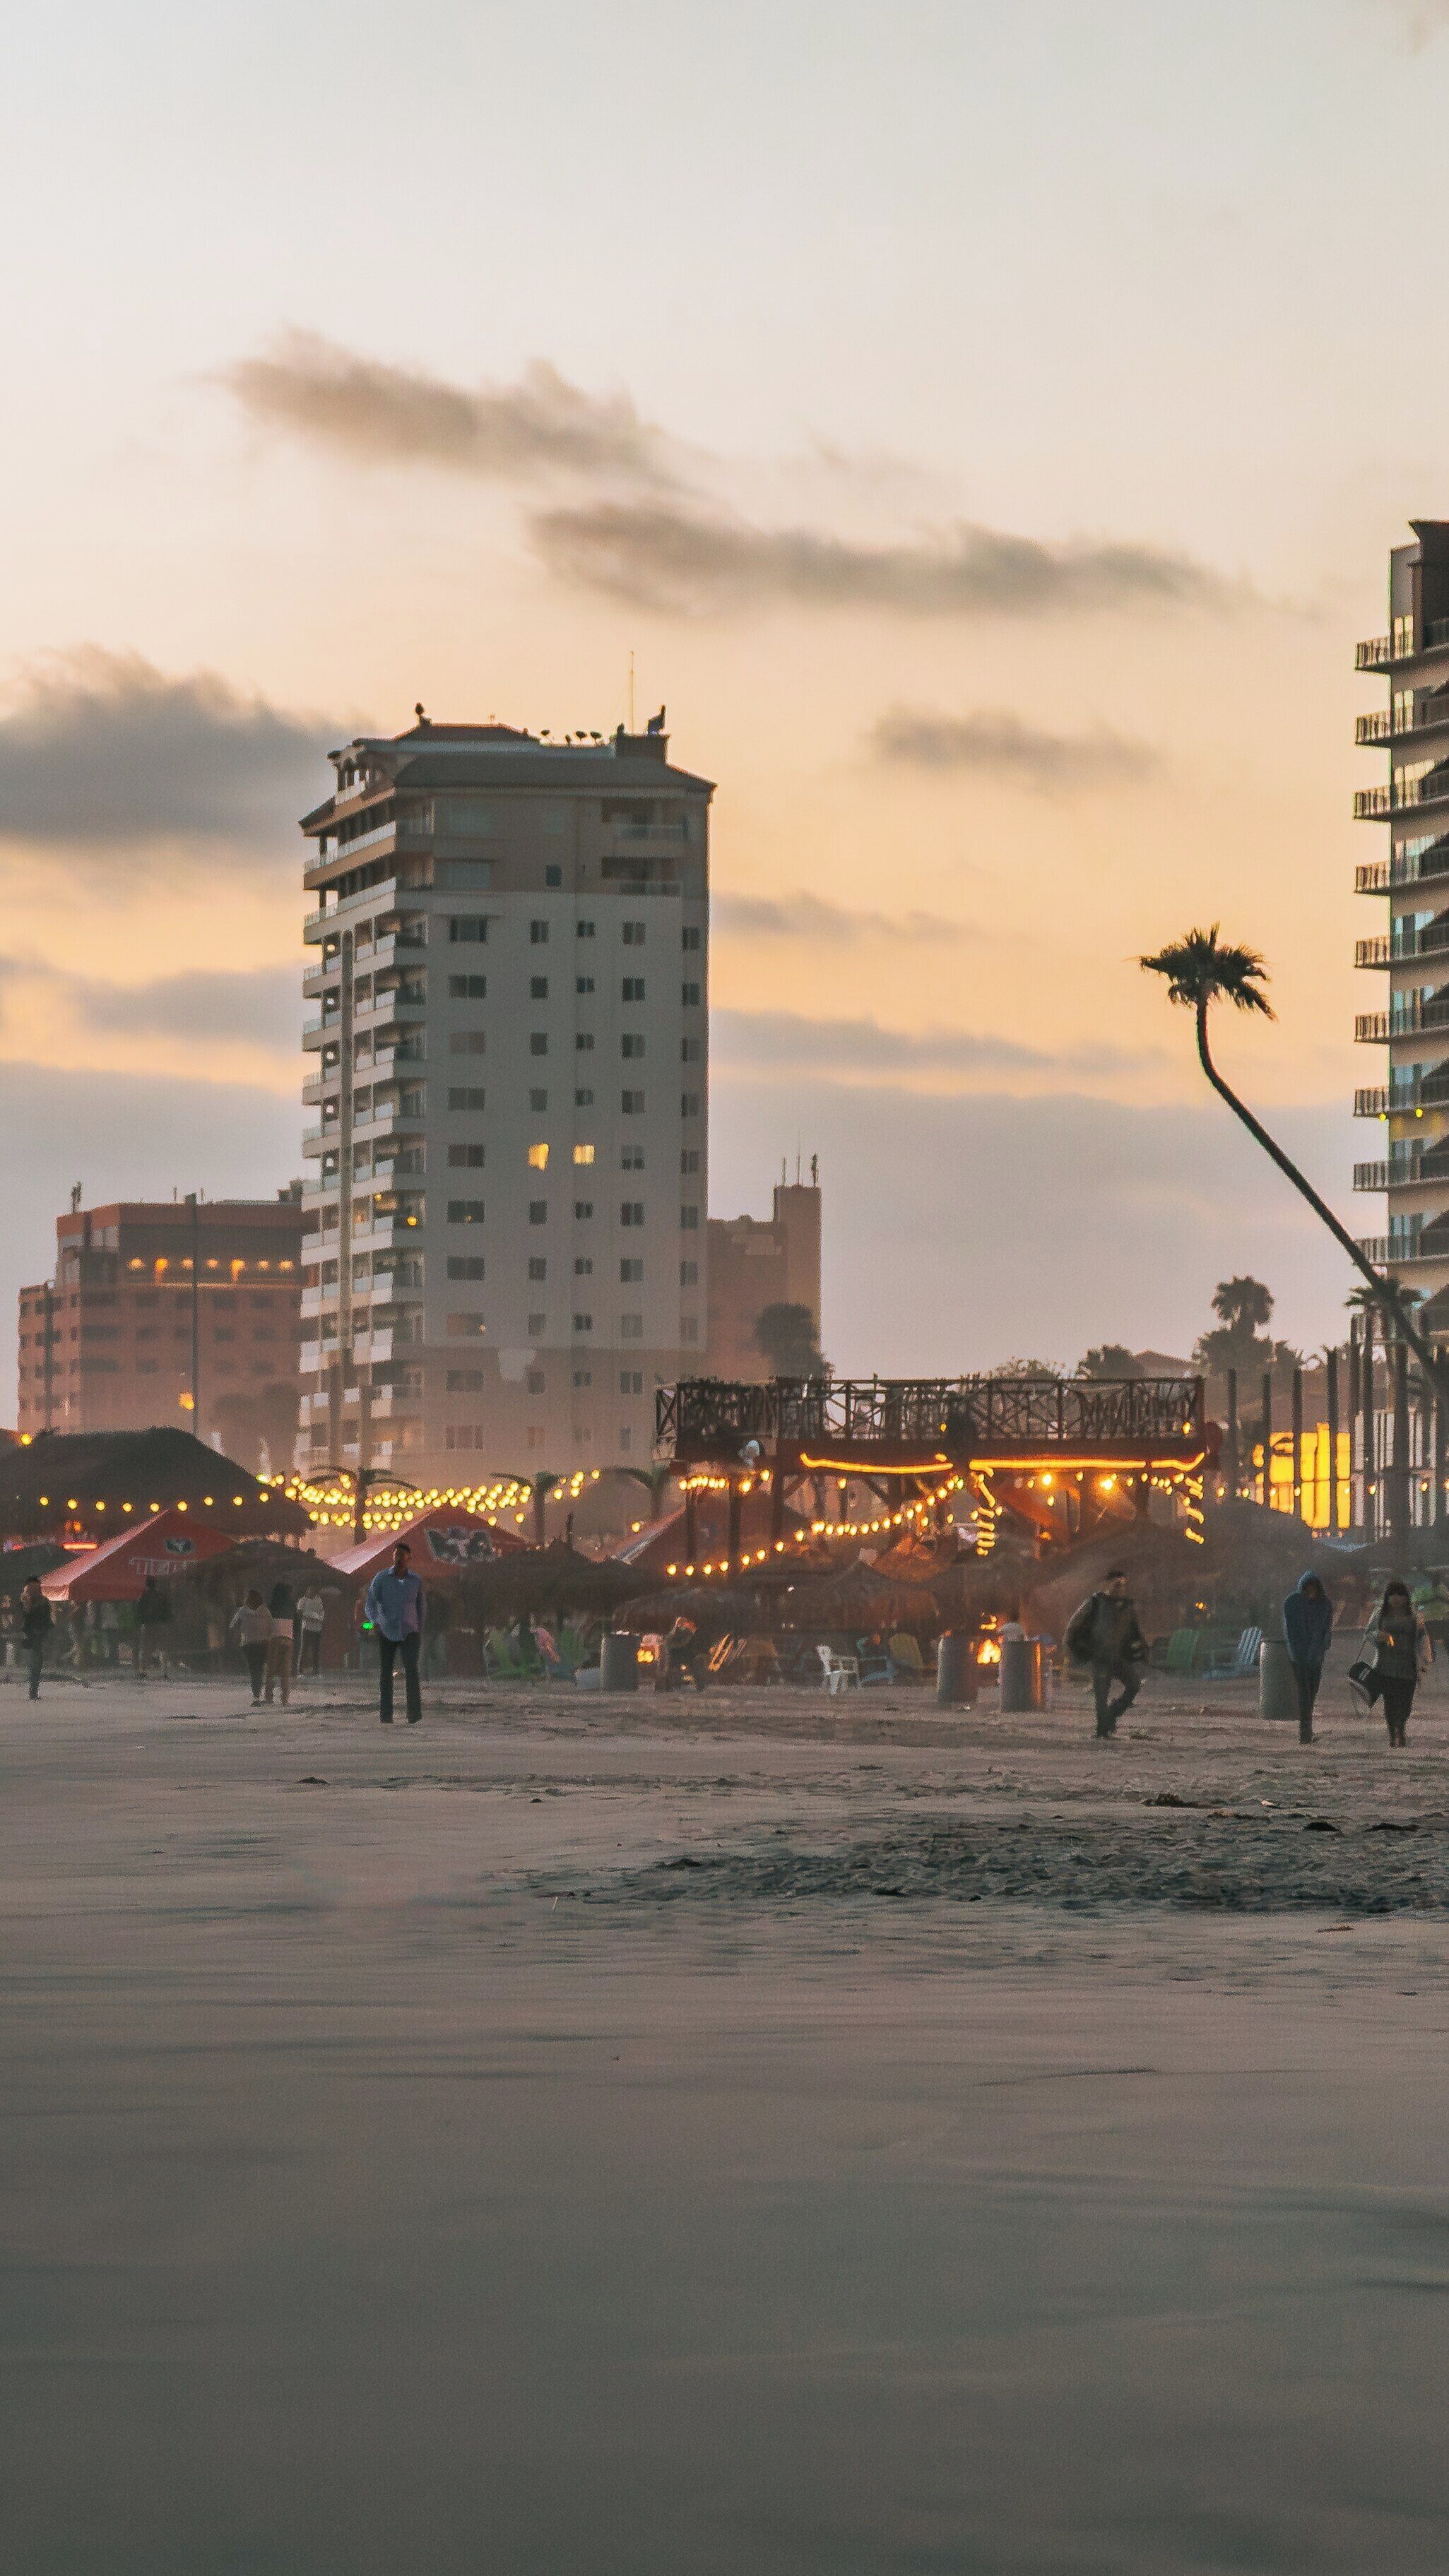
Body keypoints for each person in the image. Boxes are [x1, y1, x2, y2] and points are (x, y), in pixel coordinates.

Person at [1064, 1569, 1149, 1739]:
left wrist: (1141, 1651)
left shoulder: (1127, 1606)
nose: (1121, 1589)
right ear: (1108, 1584)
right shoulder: (1095, 1603)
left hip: (1119, 1658)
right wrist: (1077, 1650)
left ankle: (1111, 1716)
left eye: (1123, 1585)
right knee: (1101, 1697)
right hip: (1100, 1657)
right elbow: (1073, 1626)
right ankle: (1103, 1731)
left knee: (1134, 1685)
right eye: (1117, 1585)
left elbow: (1135, 1631)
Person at [1361, 1578, 1432, 1747]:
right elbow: (1368, 1633)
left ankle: (1401, 1727)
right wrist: (1380, 1636)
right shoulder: (1380, 1614)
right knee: (1390, 1703)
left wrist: (1424, 1661)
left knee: (1406, 1703)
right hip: (1385, 1667)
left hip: (1408, 1667)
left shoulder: (1414, 1616)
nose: (1397, 1598)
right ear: (1387, 1597)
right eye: (1393, 1594)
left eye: (1401, 1594)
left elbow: (1422, 1638)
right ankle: (1394, 1731)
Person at [365, 1541, 425, 1725]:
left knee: (412, 1671)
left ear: (409, 1558)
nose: (399, 1557)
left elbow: (421, 1606)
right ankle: (386, 1715)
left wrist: (419, 1628)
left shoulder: (416, 1581)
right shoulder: (381, 1579)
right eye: (396, 1554)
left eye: (402, 1554)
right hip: (387, 1629)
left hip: (410, 1631)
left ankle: (414, 1715)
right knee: (386, 1673)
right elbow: (371, 1602)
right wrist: (374, 1621)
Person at [1283, 1572, 1334, 1745]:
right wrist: (1296, 1653)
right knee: (1304, 1693)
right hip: (1299, 1657)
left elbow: (1327, 1629)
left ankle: (1307, 1728)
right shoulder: (1292, 1603)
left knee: (1312, 1692)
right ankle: (1305, 1731)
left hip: (1316, 1657)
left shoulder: (1324, 1604)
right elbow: (1290, 1631)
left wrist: (1323, 1647)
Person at [230, 1589, 273, 1704]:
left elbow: (233, 1626)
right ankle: (265, 1694)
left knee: (254, 1670)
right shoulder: (266, 1611)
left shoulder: (242, 1611)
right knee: (262, 1668)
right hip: (263, 1644)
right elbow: (271, 1628)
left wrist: (238, 1636)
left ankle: (256, 1695)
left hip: (248, 1644)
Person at [19, 1577, 52, 1700]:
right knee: (35, 1662)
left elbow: (46, 1619)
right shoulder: (25, 1601)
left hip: (39, 1634)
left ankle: (33, 1691)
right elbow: (24, 1616)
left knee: (36, 1662)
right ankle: (33, 1691)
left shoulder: (43, 1601)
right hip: (31, 1635)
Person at [135, 1576, 171, 1680]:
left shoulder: (144, 1596)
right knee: (163, 1647)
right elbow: (167, 1610)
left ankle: (143, 1671)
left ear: (146, 1585)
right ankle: (164, 1671)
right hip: (161, 1625)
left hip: (148, 1625)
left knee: (145, 1648)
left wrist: (140, 1623)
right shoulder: (162, 1596)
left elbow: (140, 1611)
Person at [264, 1604, 293, 1707]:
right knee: (285, 1671)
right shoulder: (290, 1608)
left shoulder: (271, 1611)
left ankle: (269, 1696)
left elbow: (267, 1630)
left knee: (271, 1670)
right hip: (288, 1639)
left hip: (275, 1640)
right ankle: (285, 1699)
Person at [296, 1581, 326, 1677]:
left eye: (314, 1591)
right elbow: (299, 1613)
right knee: (304, 1649)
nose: (312, 1592)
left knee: (316, 1650)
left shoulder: (318, 1600)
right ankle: (300, 1670)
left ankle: (316, 1671)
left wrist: (319, 1619)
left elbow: (322, 1612)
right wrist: (308, 1618)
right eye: (310, 1590)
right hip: (307, 1628)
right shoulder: (302, 1601)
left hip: (317, 1628)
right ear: (307, 1591)